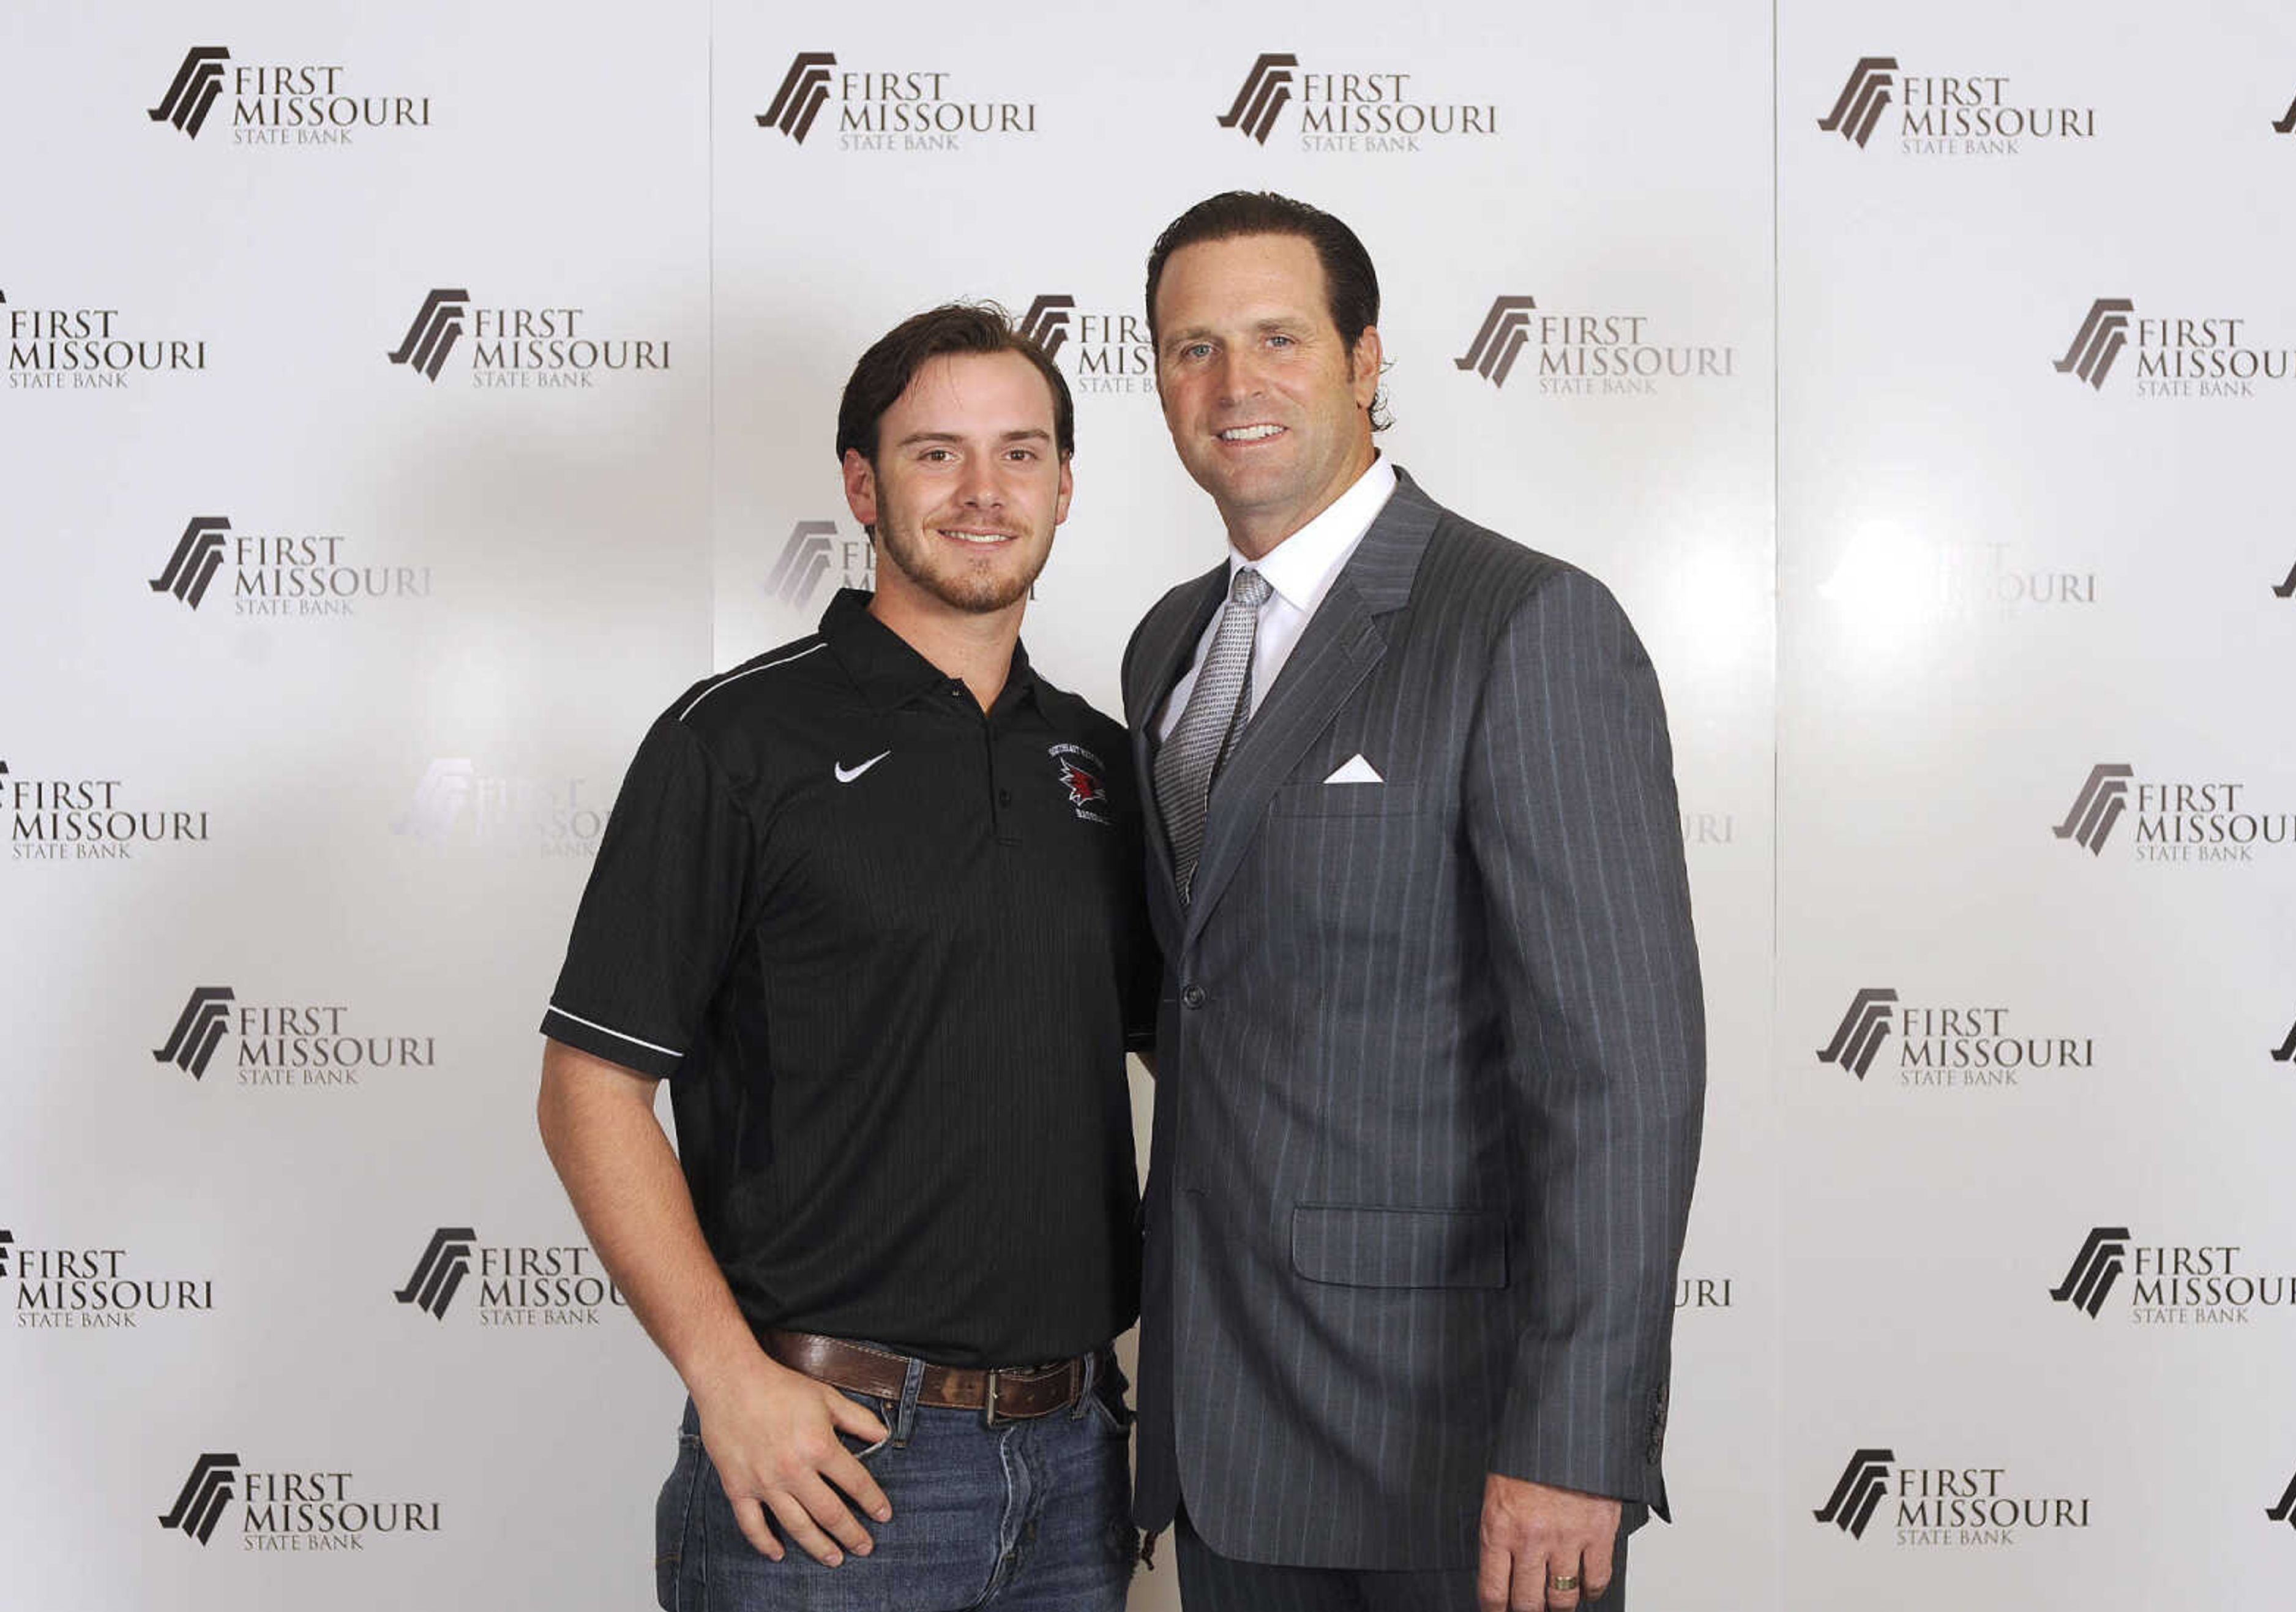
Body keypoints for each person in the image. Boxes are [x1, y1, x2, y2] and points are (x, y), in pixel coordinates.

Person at [1120, 192, 1706, 1612]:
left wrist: (1578, 1439)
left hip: (1458, 1459)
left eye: (1277, 338)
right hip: (1224, 1440)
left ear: (1367, 360)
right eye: (1192, 349)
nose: (1233, 386)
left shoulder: (1525, 624)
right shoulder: (1167, 647)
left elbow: (1621, 1073)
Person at [537, 304, 1151, 1612]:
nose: (986, 492)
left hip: (1081, 1467)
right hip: (834, 1469)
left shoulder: (1102, 759)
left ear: (1066, 484)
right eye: (938, 454)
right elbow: (588, 1091)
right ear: (863, 486)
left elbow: (1211, 1050)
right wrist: (728, 1379)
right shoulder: (735, 744)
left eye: (1023, 453)